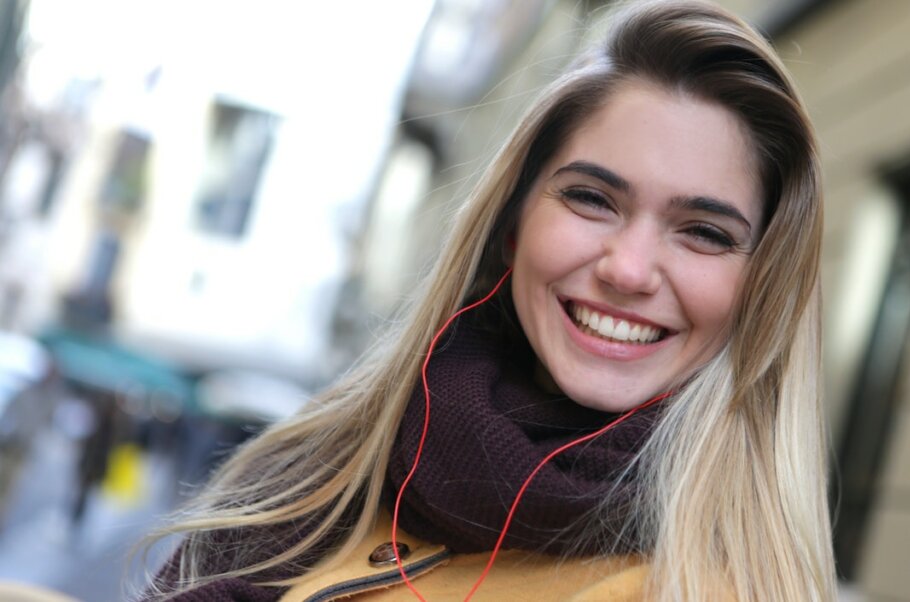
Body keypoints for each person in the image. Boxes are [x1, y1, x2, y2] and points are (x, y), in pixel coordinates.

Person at [143, 1, 836, 600]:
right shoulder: (316, 469)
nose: (627, 270)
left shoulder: (709, 588)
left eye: (704, 233)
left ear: (760, 292)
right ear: (513, 225)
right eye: (592, 198)